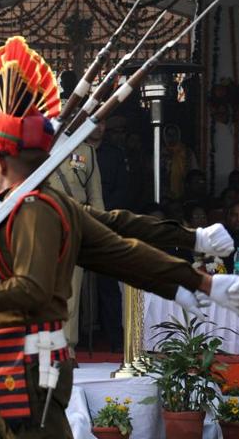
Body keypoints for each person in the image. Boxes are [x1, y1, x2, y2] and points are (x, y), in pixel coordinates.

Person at [0, 109, 239, 439]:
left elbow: (32, 291)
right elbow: (119, 233)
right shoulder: (24, 207)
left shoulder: (36, 212)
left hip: (26, 364)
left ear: (2, 159)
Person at [48, 135, 104, 358]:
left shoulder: (87, 151)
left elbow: (95, 196)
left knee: (70, 290)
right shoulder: (32, 145)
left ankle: (66, 347)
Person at [86, 116, 129, 352]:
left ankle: (115, 337)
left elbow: (124, 189)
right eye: (94, 122)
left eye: (102, 123)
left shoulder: (114, 154)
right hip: (77, 222)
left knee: (108, 283)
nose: (99, 127)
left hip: (107, 224)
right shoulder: (73, 152)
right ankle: (79, 336)